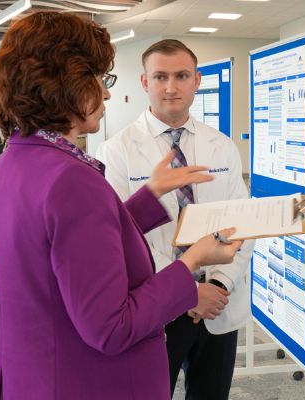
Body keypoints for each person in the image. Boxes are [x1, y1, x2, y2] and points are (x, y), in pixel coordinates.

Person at [0, 11, 243, 400]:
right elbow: (111, 326)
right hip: (86, 379)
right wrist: (190, 266)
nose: (106, 94)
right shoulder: (69, 177)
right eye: (100, 79)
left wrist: (147, 196)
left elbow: (75, 246)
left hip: (36, 373)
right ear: (65, 83)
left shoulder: (14, 161)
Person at [96, 39, 254, 400]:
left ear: (197, 80)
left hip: (217, 303)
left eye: (182, 76)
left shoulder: (222, 146)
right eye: (160, 76)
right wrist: (186, 292)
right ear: (144, 82)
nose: (171, 87)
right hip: (156, 305)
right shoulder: (116, 151)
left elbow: (241, 225)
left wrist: (220, 285)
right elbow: (120, 240)